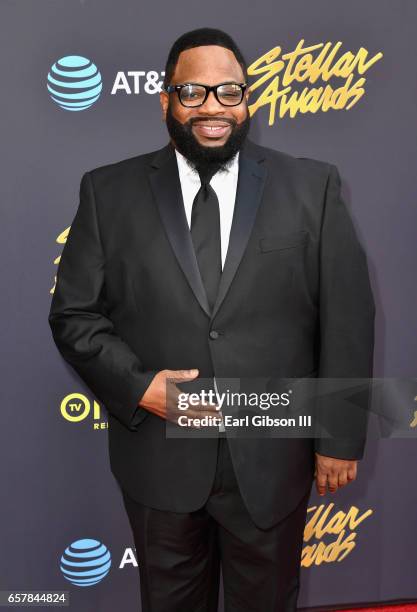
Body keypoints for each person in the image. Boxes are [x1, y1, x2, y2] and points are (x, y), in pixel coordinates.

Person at [48, 27, 375, 612]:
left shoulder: (312, 186)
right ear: (166, 100)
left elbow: (348, 316)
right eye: (193, 93)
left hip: (273, 455)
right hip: (158, 460)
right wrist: (141, 386)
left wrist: (340, 435)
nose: (213, 108)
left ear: (248, 98)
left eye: (229, 92)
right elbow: (74, 314)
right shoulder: (108, 191)